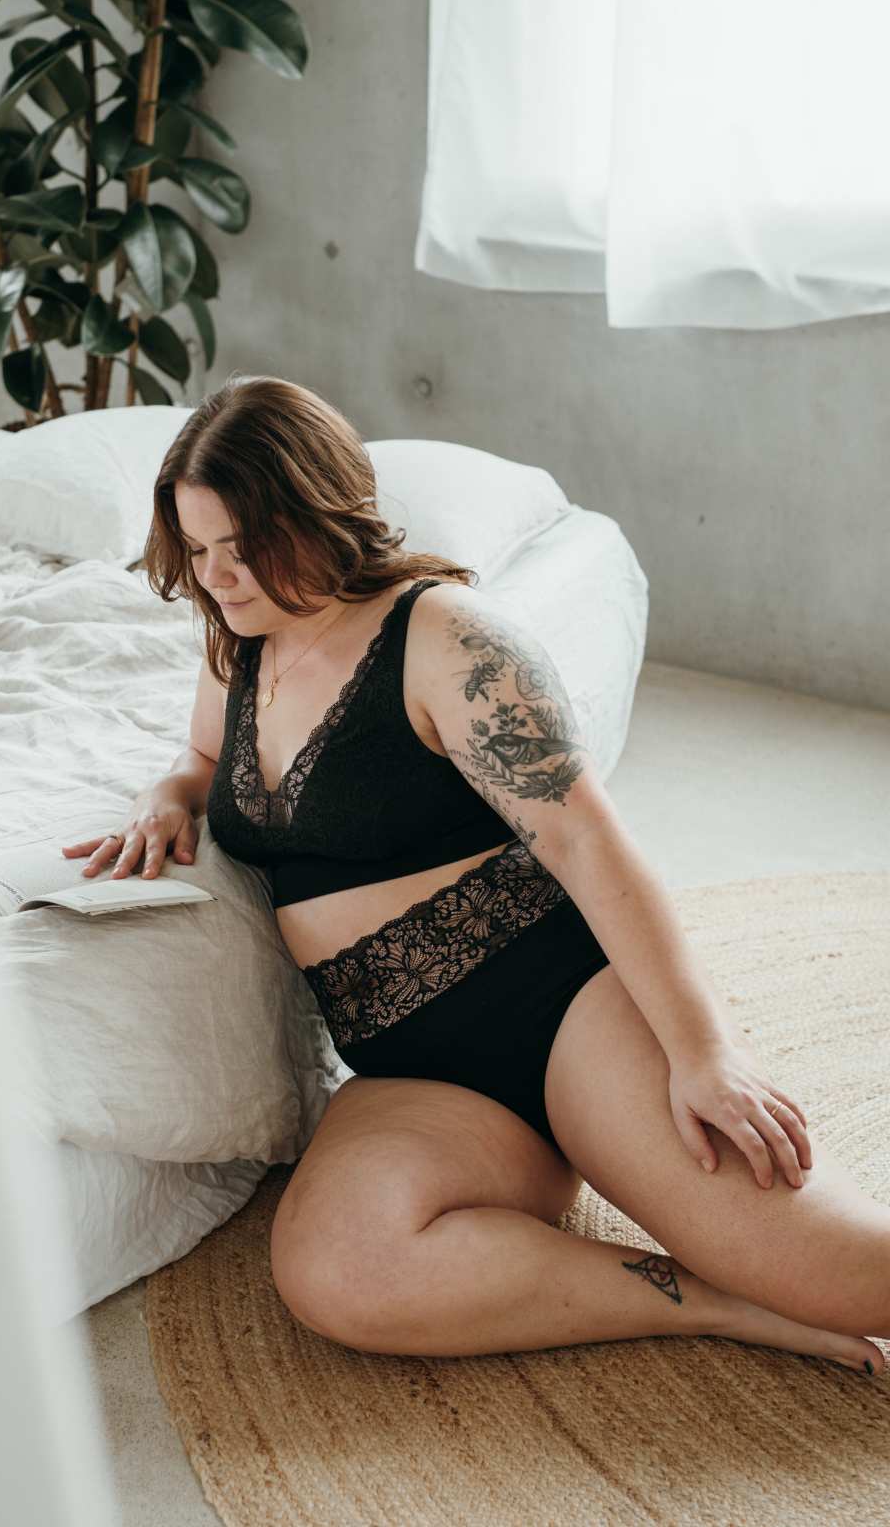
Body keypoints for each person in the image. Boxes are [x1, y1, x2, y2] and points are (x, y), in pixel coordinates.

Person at [63, 374, 887, 1374]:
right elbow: (201, 760)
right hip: (413, 1071)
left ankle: (766, 1277)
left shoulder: (442, 636)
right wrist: (168, 797)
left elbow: (588, 842)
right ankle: (714, 1303)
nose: (219, 577)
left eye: (242, 547)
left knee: (845, 1272)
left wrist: (702, 1054)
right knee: (339, 1273)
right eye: (197, 552)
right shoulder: (240, 642)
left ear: (317, 512)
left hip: (559, 1013)